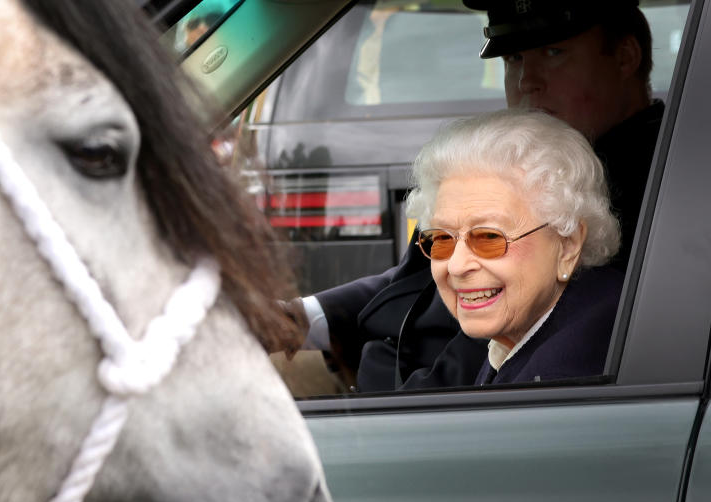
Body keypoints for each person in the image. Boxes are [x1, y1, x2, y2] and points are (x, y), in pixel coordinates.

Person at [281, 0, 660, 393]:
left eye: (554, 53)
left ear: (625, 57)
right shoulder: (498, 171)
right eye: (513, 58)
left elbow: (508, 345)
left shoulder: (653, 192)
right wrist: (303, 318)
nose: (528, 80)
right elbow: (411, 282)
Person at [407, 109, 622, 386]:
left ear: (567, 246)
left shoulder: (568, 377)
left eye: (488, 237)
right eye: (443, 239)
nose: (457, 265)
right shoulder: (531, 328)